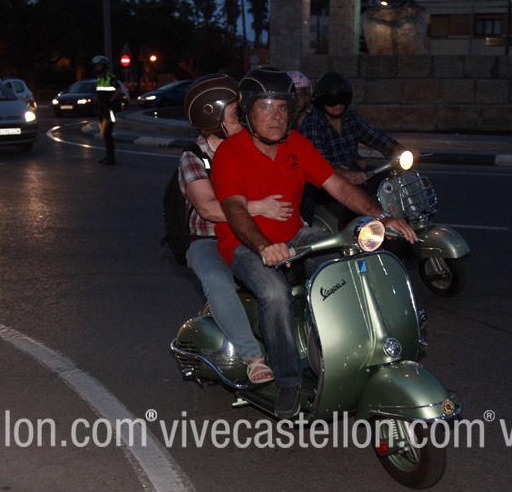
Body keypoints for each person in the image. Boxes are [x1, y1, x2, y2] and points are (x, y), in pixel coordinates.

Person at [211, 67, 418, 419]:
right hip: (245, 244)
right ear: (247, 112)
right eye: (266, 108)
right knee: (274, 292)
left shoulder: (297, 145)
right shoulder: (230, 153)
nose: (276, 117)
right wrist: (263, 246)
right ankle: (288, 380)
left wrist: (382, 216)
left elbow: (336, 185)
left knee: (349, 261)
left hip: (295, 234)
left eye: (282, 107)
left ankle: (350, 346)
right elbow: (234, 209)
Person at [178, 74, 294, 384]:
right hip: (207, 238)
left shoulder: (251, 147)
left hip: (251, 232)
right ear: (213, 120)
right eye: (235, 113)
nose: (243, 117)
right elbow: (207, 208)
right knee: (217, 279)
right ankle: (252, 356)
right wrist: (258, 207)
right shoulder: (194, 158)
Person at [299, 70, 413, 221]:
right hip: (326, 184)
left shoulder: (350, 117)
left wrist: (397, 148)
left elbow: (372, 135)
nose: (338, 104)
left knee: (390, 181)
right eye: (332, 100)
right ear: (321, 99)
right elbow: (319, 161)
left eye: (343, 99)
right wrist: (344, 173)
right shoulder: (313, 123)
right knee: (353, 217)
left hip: (355, 175)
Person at [91, 55, 124, 165]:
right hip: (101, 109)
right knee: (103, 134)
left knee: (107, 133)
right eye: (96, 66)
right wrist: (96, 102)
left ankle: (111, 157)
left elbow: (118, 90)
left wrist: (111, 100)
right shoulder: (99, 79)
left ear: (104, 66)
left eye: (99, 66)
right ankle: (107, 155)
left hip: (109, 109)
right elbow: (98, 93)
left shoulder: (110, 78)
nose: (97, 68)